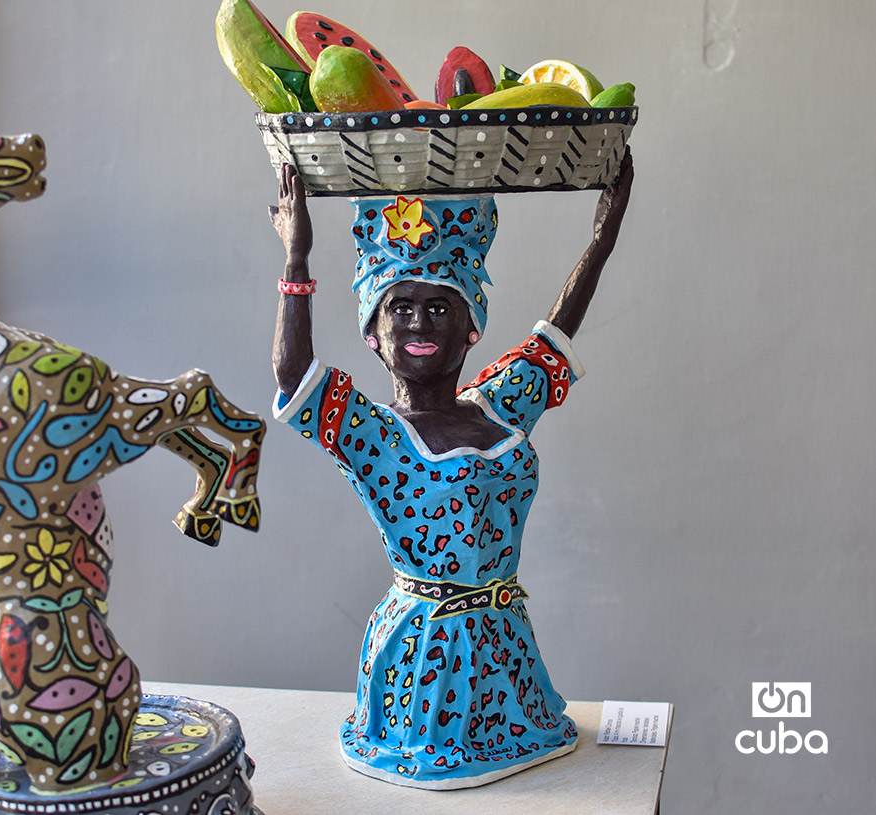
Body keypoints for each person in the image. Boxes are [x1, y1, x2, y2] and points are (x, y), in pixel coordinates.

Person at [267, 151, 634, 789]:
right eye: (399, 307)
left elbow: (557, 330)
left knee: (538, 783)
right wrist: (296, 261)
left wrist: (601, 242)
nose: (418, 322)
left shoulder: (500, 402)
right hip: (425, 663)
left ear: (471, 329)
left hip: (506, 650)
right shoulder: (375, 435)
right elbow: (294, 376)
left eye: (440, 307)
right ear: (373, 335)